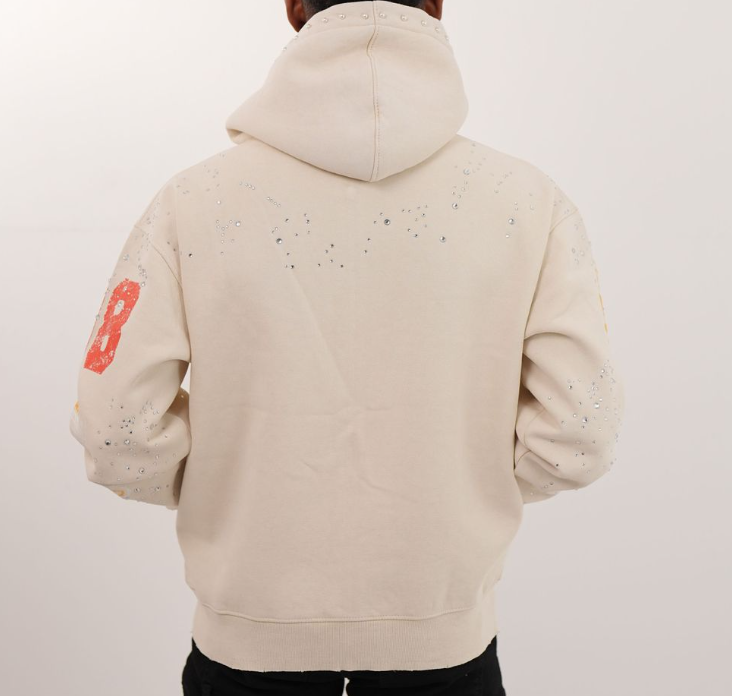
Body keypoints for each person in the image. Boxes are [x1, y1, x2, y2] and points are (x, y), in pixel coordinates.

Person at [69, 0, 625, 693]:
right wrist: (464, 486)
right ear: (436, 5)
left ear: (294, 7)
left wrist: (224, 488)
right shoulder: (529, 203)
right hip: (447, 653)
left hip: (246, 652)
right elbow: (581, 430)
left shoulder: (192, 201)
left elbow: (116, 428)